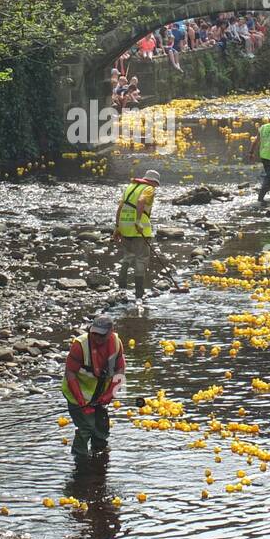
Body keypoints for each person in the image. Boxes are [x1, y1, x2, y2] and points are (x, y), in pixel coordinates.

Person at [61, 315, 126, 461]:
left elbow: (120, 370)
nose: (96, 338)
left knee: (102, 427)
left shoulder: (116, 343)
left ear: (111, 332)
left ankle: (100, 454)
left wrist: (110, 394)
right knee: (86, 428)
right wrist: (80, 401)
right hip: (76, 394)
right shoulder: (80, 346)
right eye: (94, 333)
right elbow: (70, 373)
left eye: (101, 335)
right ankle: (80, 459)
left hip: (100, 395)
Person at [114, 169, 159, 299]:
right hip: (140, 230)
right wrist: (138, 221)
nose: (156, 187)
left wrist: (117, 227)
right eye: (156, 184)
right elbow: (141, 201)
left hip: (125, 228)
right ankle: (139, 293)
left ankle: (121, 289)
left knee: (127, 256)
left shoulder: (130, 187)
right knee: (141, 259)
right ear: (154, 182)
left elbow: (120, 207)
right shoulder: (149, 189)